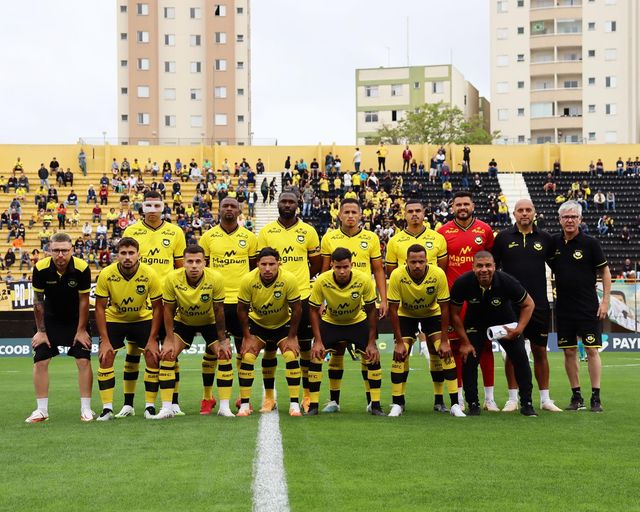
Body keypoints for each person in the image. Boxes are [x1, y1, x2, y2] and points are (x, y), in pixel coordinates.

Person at [119, 190, 186, 417]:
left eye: (157, 205)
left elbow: (179, 268)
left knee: (169, 352)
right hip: (139, 299)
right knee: (134, 351)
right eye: (148, 205)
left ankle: (173, 402)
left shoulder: (175, 232)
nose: (153, 210)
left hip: (167, 299)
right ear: (142, 207)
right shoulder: (131, 231)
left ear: (163, 207)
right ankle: (128, 404)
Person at [492, 199, 562, 412]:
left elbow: (558, 266)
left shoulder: (546, 239)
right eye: (520, 210)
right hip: (510, 305)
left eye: (528, 210)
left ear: (534, 213)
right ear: (513, 213)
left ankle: (545, 399)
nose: (524, 213)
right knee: (513, 351)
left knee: (540, 350)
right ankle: (512, 399)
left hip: (539, 303)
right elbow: (493, 269)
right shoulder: (503, 238)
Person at [319, 198, 387, 412]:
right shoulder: (329, 238)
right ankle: (334, 401)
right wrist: (322, 300)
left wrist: (382, 299)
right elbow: (324, 272)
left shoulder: (371, 238)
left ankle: (371, 402)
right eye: (346, 212)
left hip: (362, 302)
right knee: (336, 349)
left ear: (360, 215)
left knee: (368, 351)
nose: (350, 216)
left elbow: (378, 270)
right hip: (336, 302)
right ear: (339, 214)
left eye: (353, 212)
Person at [257, 192, 322, 413]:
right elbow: (261, 264)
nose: (287, 205)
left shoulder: (308, 231)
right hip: (272, 298)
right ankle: (269, 398)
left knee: (304, 347)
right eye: (283, 202)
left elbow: (315, 263)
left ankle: (306, 396)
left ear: (298, 205)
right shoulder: (266, 232)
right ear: (277, 204)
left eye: (291, 202)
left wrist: (295, 282)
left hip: (301, 296)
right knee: (268, 347)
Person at [450, 252, 537, 416]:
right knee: (469, 358)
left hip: (504, 323)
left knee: (520, 357)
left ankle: (527, 403)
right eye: (480, 266)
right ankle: (473, 404)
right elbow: (454, 313)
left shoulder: (507, 281)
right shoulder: (463, 282)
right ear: (473, 267)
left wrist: (518, 329)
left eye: (488, 265)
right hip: (475, 324)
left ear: (494, 267)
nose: (484, 270)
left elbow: (529, 304)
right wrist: (464, 342)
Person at [388, 244, 464, 417]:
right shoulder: (397, 275)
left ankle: (452, 404)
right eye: (413, 262)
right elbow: (393, 309)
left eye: (421, 261)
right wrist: (399, 342)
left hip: (432, 314)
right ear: (406, 261)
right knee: (400, 354)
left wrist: (445, 341)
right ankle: (398, 403)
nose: (417, 265)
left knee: (445, 353)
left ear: (427, 261)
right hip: (406, 315)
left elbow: (445, 308)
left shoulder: (437, 274)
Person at [26, 232, 94, 423]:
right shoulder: (40, 268)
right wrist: (41, 331)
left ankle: (86, 410)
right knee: (40, 361)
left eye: (64, 250)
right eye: (56, 250)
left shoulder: (82, 268)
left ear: (72, 250)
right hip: (50, 321)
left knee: (83, 361)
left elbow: (84, 301)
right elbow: (38, 301)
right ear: (49, 250)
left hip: (76, 320)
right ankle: (41, 411)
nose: (60, 255)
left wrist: (81, 330)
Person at [437, 191, 497, 411]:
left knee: (486, 346)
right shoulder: (442, 232)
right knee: (455, 348)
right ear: (452, 207)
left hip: (481, 298)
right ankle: (459, 397)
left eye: (466, 204)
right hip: (455, 299)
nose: (462, 207)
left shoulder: (485, 230)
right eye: (458, 204)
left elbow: (491, 263)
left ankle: (489, 398)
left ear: (473, 206)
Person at [307, 248, 384, 416]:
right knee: (315, 357)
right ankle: (314, 406)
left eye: (346, 267)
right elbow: (313, 310)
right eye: (338, 267)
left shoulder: (363, 280)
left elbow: (371, 310)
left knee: (373, 357)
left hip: (357, 321)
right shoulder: (322, 280)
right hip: (331, 322)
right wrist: (317, 341)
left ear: (352, 265)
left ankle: (375, 405)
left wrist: (372, 342)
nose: (342, 271)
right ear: (332, 265)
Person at [549, 201, 610, 412]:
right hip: (563, 307)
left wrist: (605, 301)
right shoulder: (554, 243)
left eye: (573, 217)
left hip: (587, 307)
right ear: (560, 220)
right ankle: (576, 396)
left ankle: (596, 397)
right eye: (565, 217)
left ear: (580, 220)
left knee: (592, 349)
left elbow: (605, 272)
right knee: (568, 351)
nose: (569, 220)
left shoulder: (591, 243)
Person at [159, 245, 233, 419]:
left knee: (224, 354)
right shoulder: (171, 279)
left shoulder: (216, 278)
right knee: (168, 355)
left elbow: (219, 309)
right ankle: (167, 407)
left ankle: (224, 407)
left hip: (210, 322)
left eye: (198, 261)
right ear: (182, 263)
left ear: (204, 263)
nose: (194, 265)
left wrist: (222, 339)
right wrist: (169, 339)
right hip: (184, 321)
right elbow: (168, 310)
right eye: (190, 261)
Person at [199, 197, 258, 414]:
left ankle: (244, 399)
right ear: (219, 209)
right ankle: (207, 397)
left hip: (242, 302)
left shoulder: (249, 238)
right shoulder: (208, 237)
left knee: (244, 351)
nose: (229, 209)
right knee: (211, 351)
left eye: (233, 206)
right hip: (217, 302)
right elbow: (201, 267)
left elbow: (254, 269)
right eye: (225, 206)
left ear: (240, 210)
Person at [94, 237, 163, 421]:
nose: (127, 257)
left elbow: (158, 307)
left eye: (131, 253)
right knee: (106, 356)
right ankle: (107, 409)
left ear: (138, 255)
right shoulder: (106, 274)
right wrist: (105, 341)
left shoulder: (149, 274)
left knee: (152, 355)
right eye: (123, 253)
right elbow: (99, 307)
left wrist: (152, 339)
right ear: (117, 255)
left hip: (142, 318)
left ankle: (149, 407)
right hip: (115, 319)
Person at [236, 247, 303, 417]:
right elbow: (242, 309)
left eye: (272, 264)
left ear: (278, 263)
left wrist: (292, 337)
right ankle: (246, 405)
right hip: (258, 324)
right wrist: (247, 337)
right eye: (263, 264)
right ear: (257, 264)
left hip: (283, 324)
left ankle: (294, 404)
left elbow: (297, 309)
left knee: (290, 355)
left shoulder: (289, 279)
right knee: (248, 356)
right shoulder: (247, 280)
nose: (267, 268)